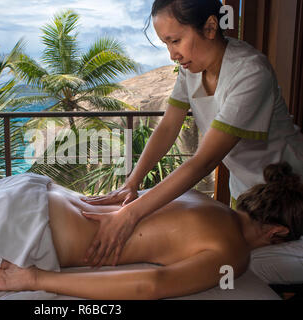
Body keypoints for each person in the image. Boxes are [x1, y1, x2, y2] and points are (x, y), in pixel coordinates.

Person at [78, 0, 303, 268]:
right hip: (248, 191)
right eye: (166, 44)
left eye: (175, 40)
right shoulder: (192, 69)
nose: (172, 54)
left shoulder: (250, 72)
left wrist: (130, 215)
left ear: (209, 27)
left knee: (240, 266)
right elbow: (167, 127)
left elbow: (204, 161)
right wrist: (132, 182)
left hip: (291, 191)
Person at [0, 162, 303, 299]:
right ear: (277, 233)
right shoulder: (234, 253)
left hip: (32, 193)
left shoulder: (197, 195)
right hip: (34, 231)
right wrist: (33, 279)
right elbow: (150, 285)